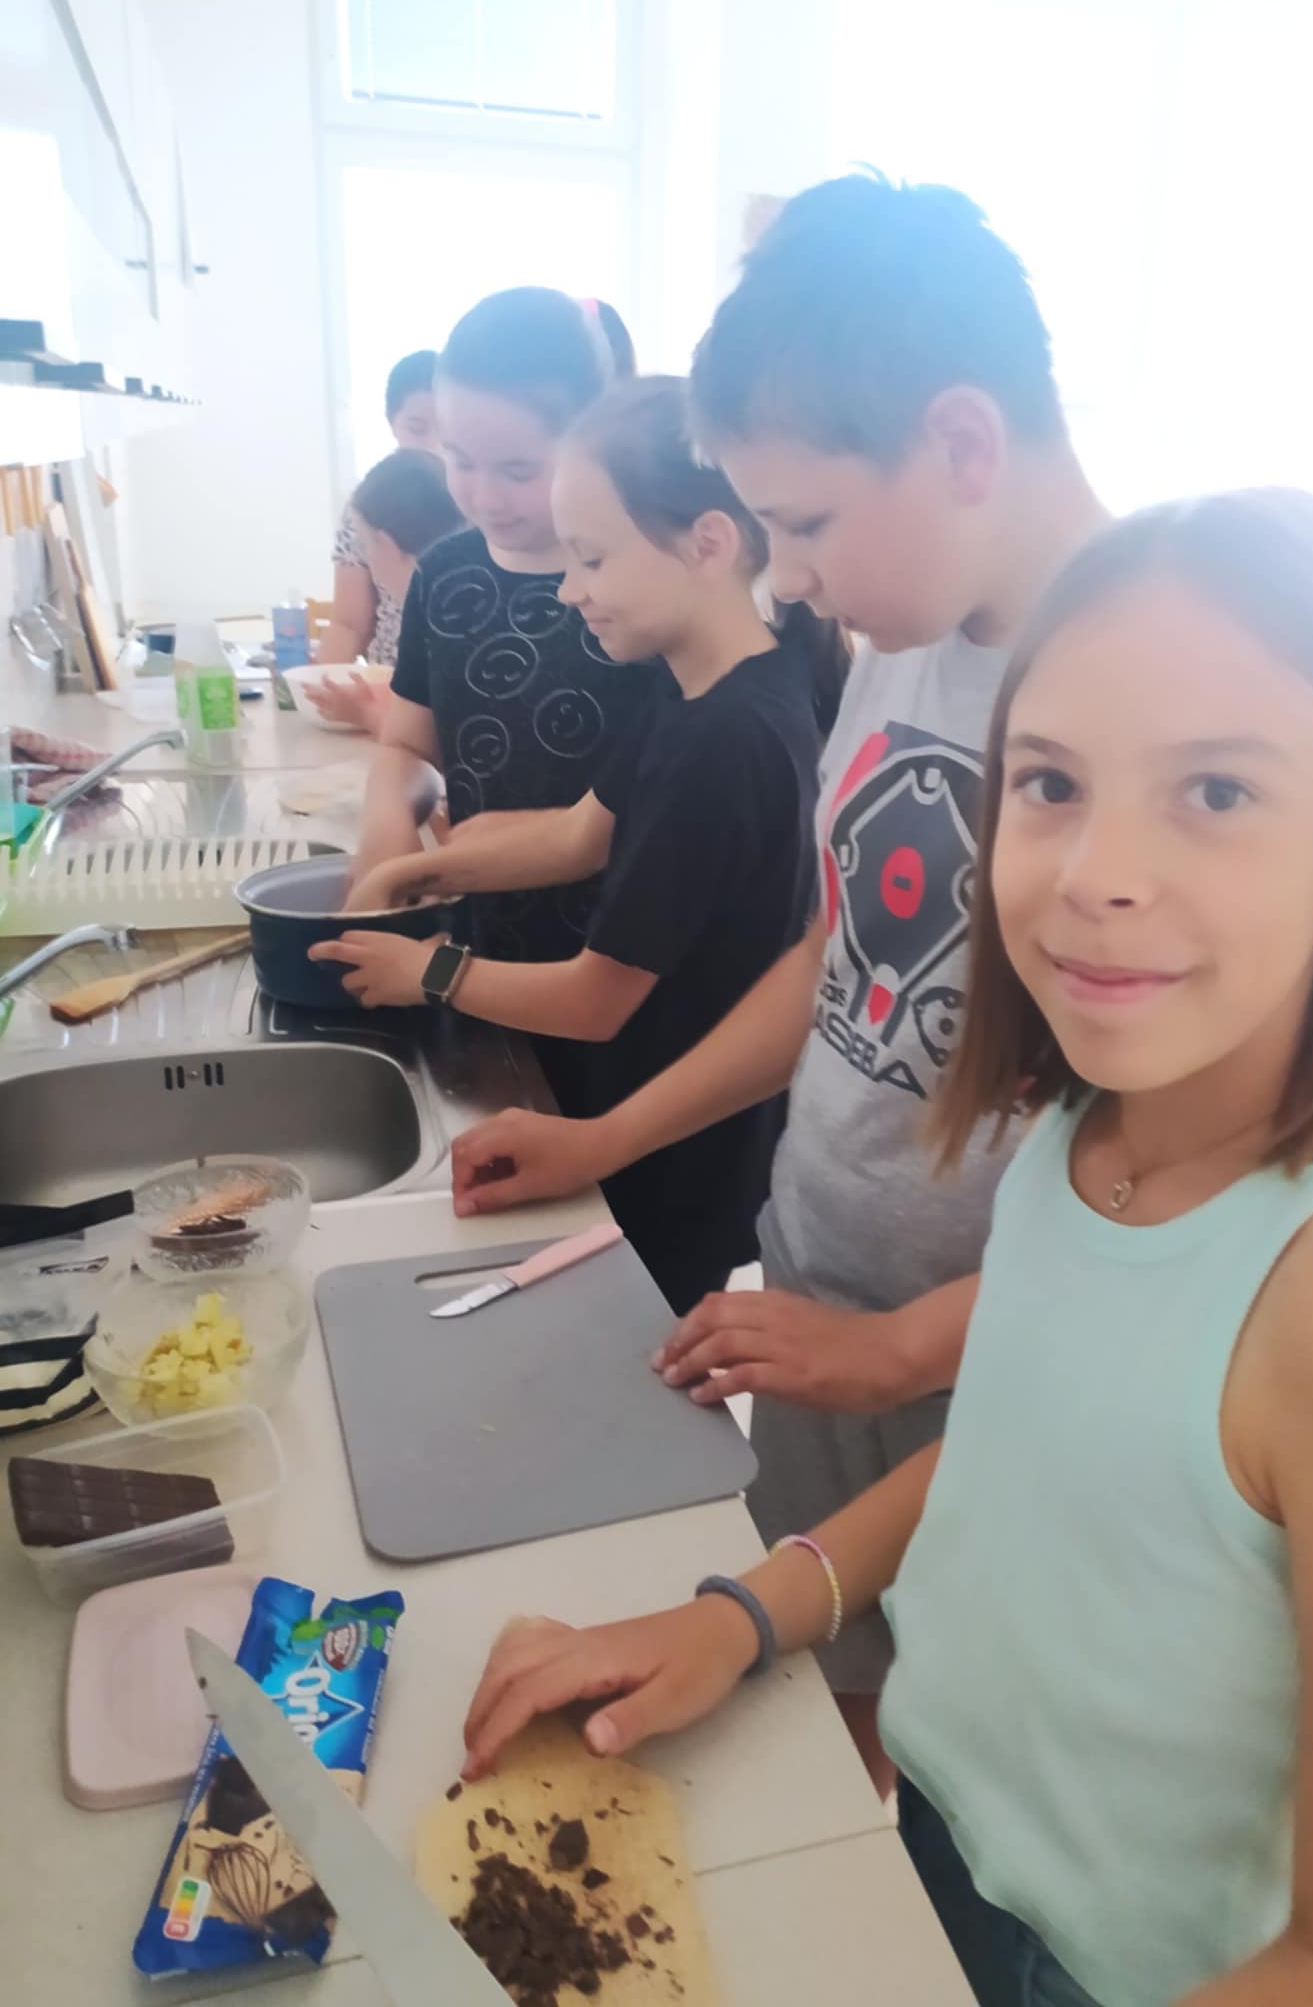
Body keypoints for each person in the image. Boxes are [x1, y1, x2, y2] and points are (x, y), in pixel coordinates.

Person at [455, 489, 1313, 2007]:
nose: (1093, 870)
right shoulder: (1081, 1131)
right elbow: (1017, 1452)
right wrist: (742, 1614)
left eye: (1217, 791)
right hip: (949, 1834)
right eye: (1051, 782)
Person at [446, 175, 1108, 1786]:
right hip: (820, 1297)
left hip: (1008, 1354)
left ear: (962, 443)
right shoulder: (902, 635)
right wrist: (610, 1141)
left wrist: (906, 1350)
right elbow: (836, 956)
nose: (789, 580)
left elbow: (1178, 1211)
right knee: (832, 1734)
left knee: (974, 1768)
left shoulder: (1142, 689)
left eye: (804, 526)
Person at [315, 377, 821, 1316]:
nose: (568, 585)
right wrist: (411, 869)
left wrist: (429, 971)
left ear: (709, 543)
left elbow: (596, 999)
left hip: (673, 1142)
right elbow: (581, 833)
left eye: (591, 557)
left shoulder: (726, 742)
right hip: (633, 1107)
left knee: (628, 1348)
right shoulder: (692, 683)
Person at [345, 288, 663, 1118]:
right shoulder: (445, 574)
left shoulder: (642, 588)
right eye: (459, 460)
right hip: (479, 961)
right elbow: (408, 745)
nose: (483, 495)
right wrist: (389, 828)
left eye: (518, 470)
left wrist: (437, 863)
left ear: (591, 435)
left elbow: (656, 810)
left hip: (624, 978)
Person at [313, 450, 465, 735]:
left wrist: (363, 713)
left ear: (385, 545)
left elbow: (444, 736)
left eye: (365, 545)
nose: (365, 559)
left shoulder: (442, 624)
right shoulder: (451, 603)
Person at [321, 348, 440, 673]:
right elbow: (349, 623)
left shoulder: (481, 501)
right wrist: (316, 686)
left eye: (450, 429)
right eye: (417, 428)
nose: (434, 445)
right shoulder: (368, 503)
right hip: (386, 678)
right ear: (392, 423)